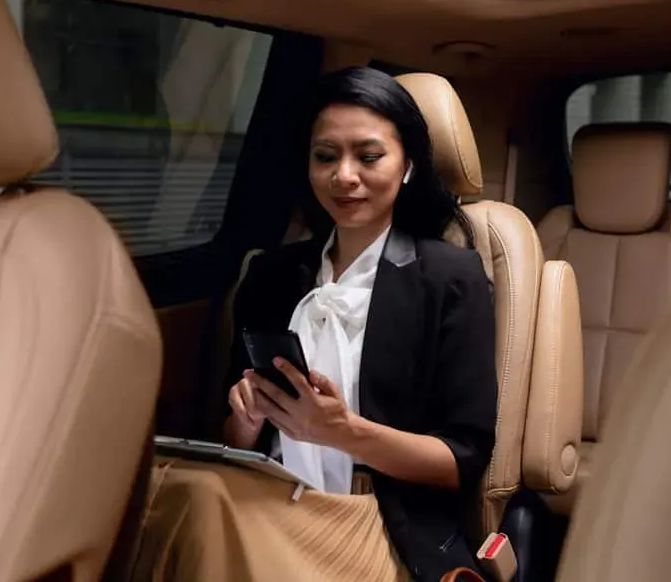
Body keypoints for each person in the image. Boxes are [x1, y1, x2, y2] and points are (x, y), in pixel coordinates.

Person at [130, 66, 498, 582]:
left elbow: (461, 459)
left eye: (369, 157)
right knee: (170, 489)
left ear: (408, 165)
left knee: (201, 502)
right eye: (325, 157)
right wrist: (247, 420)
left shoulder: (448, 276)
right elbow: (238, 442)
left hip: (378, 524)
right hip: (267, 499)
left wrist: (345, 432)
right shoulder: (272, 275)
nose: (343, 176)